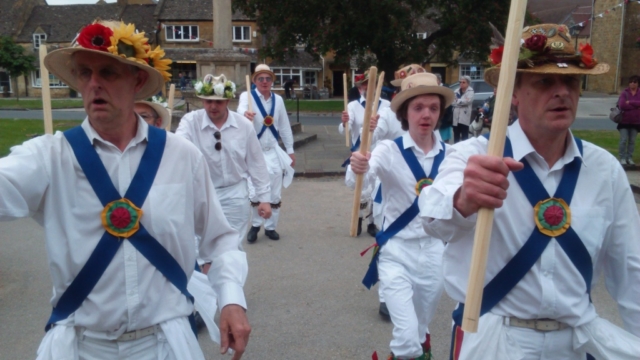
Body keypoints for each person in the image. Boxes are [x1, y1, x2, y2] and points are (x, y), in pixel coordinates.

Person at [0, 20, 250, 359]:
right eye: (84, 73)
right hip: (82, 345)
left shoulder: (181, 155)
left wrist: (232, 299)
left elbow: (219, 238)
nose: (94, 83)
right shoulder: (49, 157)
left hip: (164, 342)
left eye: (108, 72)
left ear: (139, 80)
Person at [419, 23, 640, 360]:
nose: (562, 92)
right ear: (514, 94)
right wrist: (464, 199)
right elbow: (433, 219)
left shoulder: (605, 169)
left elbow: (631, 269)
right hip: (494, 340)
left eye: (570, 81)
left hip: (576, 342)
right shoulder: (473, 156)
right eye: (545, 81)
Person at [349, 72, 453, 360]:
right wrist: (359, 165)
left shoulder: (454, 156)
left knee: (420, 330)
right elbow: (360, 179)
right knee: (406, 337)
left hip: (434, 254)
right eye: (418, 107)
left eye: (433, 108)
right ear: (405, 113)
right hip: (396, 252)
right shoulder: (388, 150)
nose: (426, 114)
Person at [176, 73, 272, 245]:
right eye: (208, 101)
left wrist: (264, 198)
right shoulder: (190, 122)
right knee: (199, 247)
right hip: (201, 194)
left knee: (231, 248)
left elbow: (256, 163)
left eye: (218, 101)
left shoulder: (243, 126)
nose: (213, 106)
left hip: (234, 195)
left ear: (228, 101)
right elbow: (178, 148)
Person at [237, 64, 295, 242]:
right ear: (254, 81)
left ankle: (270, 227)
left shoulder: (278, 100)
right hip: (255, 153)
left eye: (268, 78)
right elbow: (239, 111)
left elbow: (284, 126)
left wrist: (290, 150)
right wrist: (243, 115)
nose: (264, 81)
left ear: (272, 81)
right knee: (255, 191)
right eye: (260, 78)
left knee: (275, 191)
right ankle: (255, 225)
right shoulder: (247, 96)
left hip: (273, 151)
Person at [340, 71, 391, 236]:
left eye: (371, 85)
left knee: (376, 189)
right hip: (361, 153)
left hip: (380, 153)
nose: (367, 88)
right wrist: (345, 122)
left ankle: (372, 223)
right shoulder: (353, 106)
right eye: (364, 85)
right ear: (360, 87)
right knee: (362, 190)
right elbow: (345, 130)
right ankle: (359, 219)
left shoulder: (386, 105)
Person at [617, 75, 640, 166]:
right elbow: (622, 105)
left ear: (638, 83)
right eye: (631, 82)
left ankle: (629, 158)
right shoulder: (624, 93)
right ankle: (622, 158)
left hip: (636, 121)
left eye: (634, 82)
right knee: (623, 139)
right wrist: (636, 106)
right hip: (624, 121)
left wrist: (630, 102)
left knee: (632, 141)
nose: (632, 84)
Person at [451, 75, 474, 143]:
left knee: (464, 137)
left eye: (463, 82)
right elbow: (452, 102)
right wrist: (461, 101)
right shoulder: (456, 91)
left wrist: (458, 101)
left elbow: (468, 101)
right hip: (456, 117)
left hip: (464, 117)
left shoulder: (470, 91)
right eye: (460, 82)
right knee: (456, 136)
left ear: (468, 83)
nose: (461, 84)